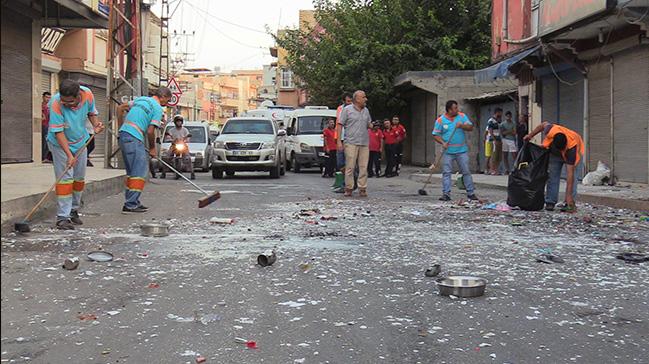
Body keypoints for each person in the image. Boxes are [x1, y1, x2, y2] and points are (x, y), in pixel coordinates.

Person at [47, 80, 104, 230]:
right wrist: (69, 155)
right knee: (65, 179)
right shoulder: (55, 103)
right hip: (60, 144)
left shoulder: (88, 95)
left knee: (78, 179)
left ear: (78, 95)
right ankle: (62, 217)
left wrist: (96, 125)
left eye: (70, 102)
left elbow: (92, 113)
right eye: (64, 101)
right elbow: (58, 132)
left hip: (80, 141)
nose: (66, 104)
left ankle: (73, 210)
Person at [117, 87, 172, 213]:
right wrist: (153, 148)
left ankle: (132, 201)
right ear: (162, 96)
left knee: (132, 172)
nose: (166, 104)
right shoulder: (157, 108)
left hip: (125, 135)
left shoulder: (141, 99)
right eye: (167, 101)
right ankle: (130, 204)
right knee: (140, 172)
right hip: (134, 137)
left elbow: (120, 108)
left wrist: (121, 127)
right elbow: (150, 131)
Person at [524, 121, 584, 212]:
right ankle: (550, 202)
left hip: (571, 152)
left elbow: (569, 176)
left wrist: (568, 196)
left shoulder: (571, 150)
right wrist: (530, 135)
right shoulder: (550, 130)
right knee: (552, 176)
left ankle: (569, 202)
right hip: (554, 155)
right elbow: (543, 125)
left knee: (573, 178)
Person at [432, 100, 478, 202]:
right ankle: (446, 194)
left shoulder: (462, 116)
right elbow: (435, 134)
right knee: (447, 172)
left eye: (457, 108)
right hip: (448, 151)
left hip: (461, 150)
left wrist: (461, 125)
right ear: (449, 110)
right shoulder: (440, 120)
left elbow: (470, 127)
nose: (457, 110)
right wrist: (443, 143)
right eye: (455, 108)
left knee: (466, 171)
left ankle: (471, 193)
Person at [336, 90, 372, 197]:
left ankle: (362, 188)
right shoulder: (347, 110)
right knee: (350, 167)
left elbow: (368, 123)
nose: (366, 99)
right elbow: (339, 125)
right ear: (357, 99)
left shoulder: (366, 111)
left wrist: (372, 125)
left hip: (364, 142)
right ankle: (349, 187)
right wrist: (339, 141)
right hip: (351, 142)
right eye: (364, 97)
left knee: (363, 167)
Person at [164, 114, 195, 180]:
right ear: (175, 122)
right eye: (177, 121)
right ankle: (163, 172)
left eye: (180, 121)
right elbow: (168, 137)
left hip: (183, 146)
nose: (179, 123)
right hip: (174, 146)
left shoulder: (185, 130)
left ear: (182, 122)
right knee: (167, 157)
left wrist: (186, 140)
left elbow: (188, 137)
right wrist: (171, 139)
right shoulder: (172, 130)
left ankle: (192, 172)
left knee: (188, 158)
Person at [487, 108, 503, 175]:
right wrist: (494, 139)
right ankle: (492, 169)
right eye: (500, 113)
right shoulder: (491, 120)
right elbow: (490, 130)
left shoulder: (499, 121)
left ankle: (496, 169)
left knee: (499, 156)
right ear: (497, 112)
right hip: (494, 139)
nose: (501, 114)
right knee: (494, 155)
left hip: (499, 138)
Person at [41, 92, 52, 163]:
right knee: (44, 142)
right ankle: (43, 157)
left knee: (47, 141)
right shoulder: (40, 106)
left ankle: (46, 157)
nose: (48, 99)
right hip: (43, 125)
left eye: (49, 98)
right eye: (46, 97)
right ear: (43, 97)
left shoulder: (49, 107)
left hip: (48, 126)